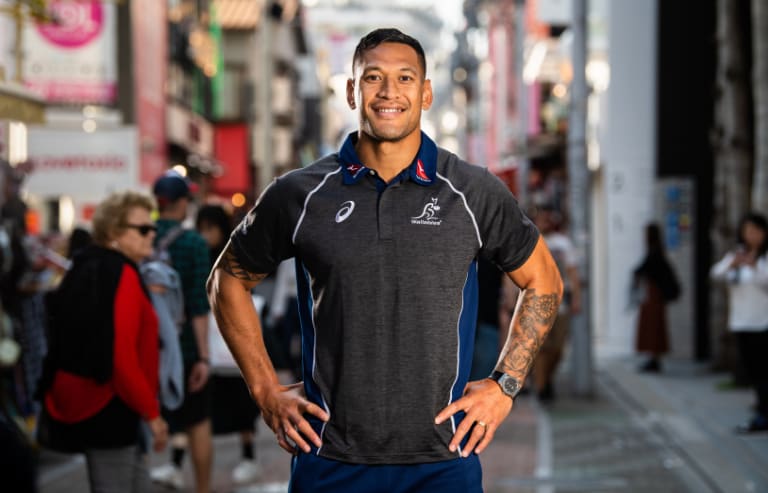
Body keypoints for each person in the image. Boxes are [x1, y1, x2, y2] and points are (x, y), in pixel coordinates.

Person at [207, 28, 563, 493]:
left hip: (443, 461)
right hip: (330, 458)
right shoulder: (300, 193)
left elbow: (545, 281)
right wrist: (264, 390)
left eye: (405, 78)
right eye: (373, 77)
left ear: (426, 92)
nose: (389, 92)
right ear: (353, 90)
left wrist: (505, 385)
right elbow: (226, 282)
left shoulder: (472, 191)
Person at [37, 191, 168, 492]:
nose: (151, 235)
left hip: (97, 398)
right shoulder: (120, 272)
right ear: (114, 232)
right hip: (112, 404)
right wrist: (152, 413)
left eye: (153, 228)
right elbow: (121, 356)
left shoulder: (86, 264)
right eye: (143, 229)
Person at [149, 171, 213, 493]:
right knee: (197, 422)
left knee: (147, 422)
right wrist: (203, 356)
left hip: (146, 348)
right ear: (183, 203)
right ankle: (202, 488)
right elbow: (200, 305)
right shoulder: (193, 243)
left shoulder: (140, 238)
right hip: (185, 347)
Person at [196, 204, 262, 484]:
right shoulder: (199, 255)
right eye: (201, 228)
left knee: (242, 404)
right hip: (210, 344)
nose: (204, 235)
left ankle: (249, 457)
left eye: (209, 228)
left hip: (232, 342)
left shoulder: (234, 252)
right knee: (207, 408)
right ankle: (177, 463)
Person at [710, 212, 768, 433]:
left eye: (755, 230)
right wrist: (732, 264)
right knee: (753, 371)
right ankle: (760, 411)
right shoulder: (737, 254)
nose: (751, 235)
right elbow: (716, 274)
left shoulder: (763, 258)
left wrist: (754, 266)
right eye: (747, 230)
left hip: (762, 323)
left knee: (763, 372)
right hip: (740, 322)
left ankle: (763, 414)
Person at [531, 205, 581, 402]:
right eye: (540, 218)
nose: (544, 221)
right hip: (536, 302)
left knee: (558, 348)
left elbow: (572, 272)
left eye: (547, 217)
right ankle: (542, 388)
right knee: (541, 348)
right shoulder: (530, 241)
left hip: (560, 303)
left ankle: (547, 379)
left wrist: (577, 298)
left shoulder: (563, 243)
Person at [631, 222, 680, 373]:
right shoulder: (657, 252)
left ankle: (654, 358)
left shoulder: (655, 253)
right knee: (654, 327)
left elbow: (642, 269)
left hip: (655, 295)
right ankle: (654, 358)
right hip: (655, 295)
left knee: (653, 327)